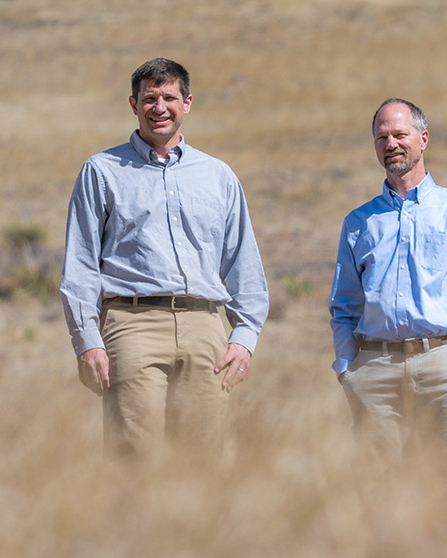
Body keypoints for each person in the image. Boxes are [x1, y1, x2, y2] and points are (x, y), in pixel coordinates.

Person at [60, 58, 269, 457]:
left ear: (187, 103)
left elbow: (243, 262)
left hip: (206, 330)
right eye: (149, 98)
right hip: (132, 326)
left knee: (205, 461)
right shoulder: (101, 172)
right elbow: (81, 264)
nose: (159, 107)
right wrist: (86, 342)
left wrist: (244, 338)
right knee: (135, 459)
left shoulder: (218, 175)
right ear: (133, 104)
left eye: (169, 97)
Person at [329, 98, 447, 463]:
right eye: (381, 137)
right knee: (379, 492)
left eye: (399, 134)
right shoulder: (359, 223)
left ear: (423, 139)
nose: (390, 144)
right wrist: (349, 369)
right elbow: (344, 306)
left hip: (444, 367)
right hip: (374, 373)